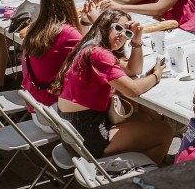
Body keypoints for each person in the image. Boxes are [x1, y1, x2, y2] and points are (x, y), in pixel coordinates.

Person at [54, 10, 172, 162]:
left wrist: (136, 41)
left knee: (145, 119)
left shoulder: (90, 46)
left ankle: (140, 168)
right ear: (105, 26)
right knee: (165, 132)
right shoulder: (99, 55)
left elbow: (133, 70)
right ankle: (141, 179)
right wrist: (156, 76)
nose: (122, 35)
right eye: (118, 28)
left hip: (73, 136)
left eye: (127, 32)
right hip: (88, 140)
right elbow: (133, 90)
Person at [21, 0, 88, 107]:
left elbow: (81, 44)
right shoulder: (67, 33)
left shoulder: (35, 28)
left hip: (35, 105)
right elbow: (94, 55)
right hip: (53, 113)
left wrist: (84, 22)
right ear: (69, 5)